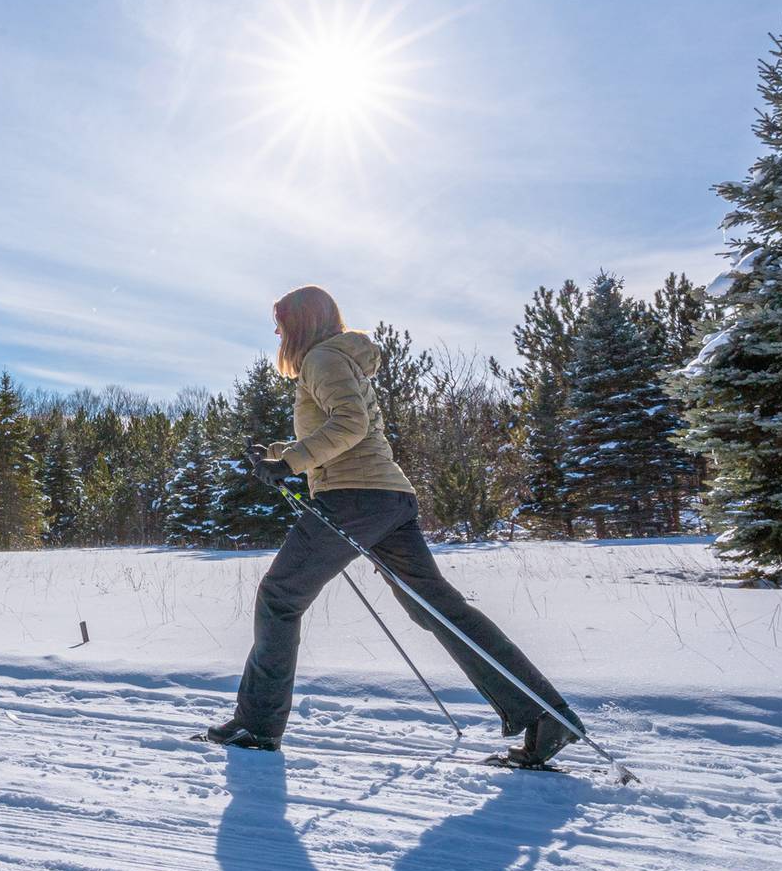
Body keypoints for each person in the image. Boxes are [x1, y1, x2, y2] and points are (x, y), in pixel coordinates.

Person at [205, 285, 585, 767]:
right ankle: (545, 716)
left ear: (300, 321)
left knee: (279, 597)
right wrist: (283, 456)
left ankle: (256, 726)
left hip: (354, 497)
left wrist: (294, 462)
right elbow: (347, 429)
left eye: (279, 320)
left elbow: (350, 425)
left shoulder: (322, 358)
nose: (275, 330)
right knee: (437, 608)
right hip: (387, 497)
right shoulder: (341, 357)